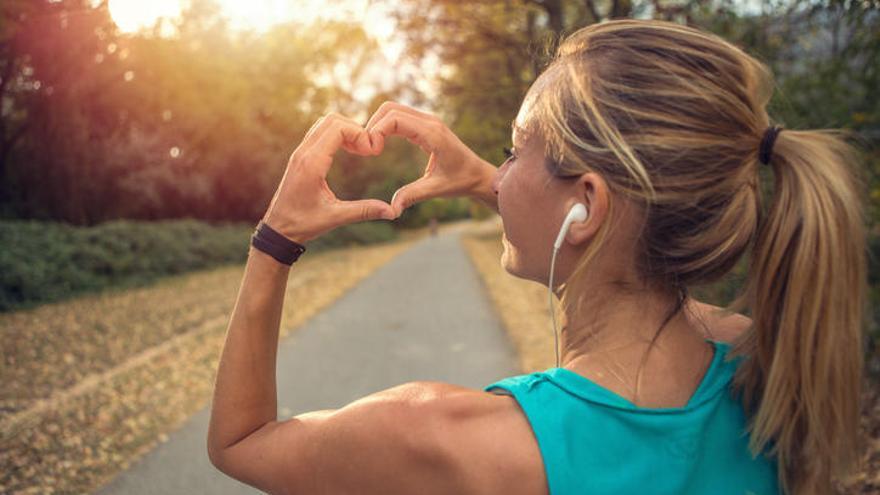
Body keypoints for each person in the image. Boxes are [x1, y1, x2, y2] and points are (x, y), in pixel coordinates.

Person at [206, 18, 867, 495]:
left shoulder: (455, 442)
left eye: (514, 149)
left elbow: (242, 441)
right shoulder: (764, 361)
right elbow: (610, 242)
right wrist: (484, 179)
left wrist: (275, 237)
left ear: (585, 206)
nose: (500, 171)